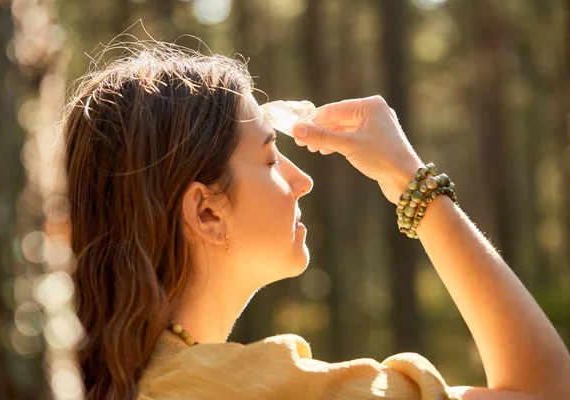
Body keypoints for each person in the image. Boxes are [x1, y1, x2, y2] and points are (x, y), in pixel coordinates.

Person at [62, 43, 570, 400]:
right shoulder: (248, 390)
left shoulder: (84, 376)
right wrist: (412, 182)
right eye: (268, 159)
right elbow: (543, 391)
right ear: (207, 211)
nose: (302, 181)